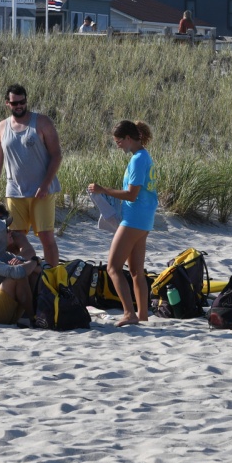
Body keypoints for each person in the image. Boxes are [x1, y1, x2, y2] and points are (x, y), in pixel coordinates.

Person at [87, 121, 158, 327]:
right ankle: (142, 315)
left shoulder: (138, 159)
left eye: (119, 141)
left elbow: (131, 194)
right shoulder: (145, 156)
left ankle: (129, 313)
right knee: (136, 272)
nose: (117, 145)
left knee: (113, 268)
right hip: (144, 220)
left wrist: (103, 190)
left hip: (134, 220)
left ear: (128, 138)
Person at [0, 84, 62, 268]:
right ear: (7, 103)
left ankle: (53, 276)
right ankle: (17, 274)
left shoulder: (42, 122)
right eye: (15, 103)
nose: (19, 106)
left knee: (46, 237)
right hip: (15, 192)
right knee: (15, 237)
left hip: (42, 192)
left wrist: (45, 184)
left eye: (22, 102)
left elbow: (57, 155)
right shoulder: (2, 127)